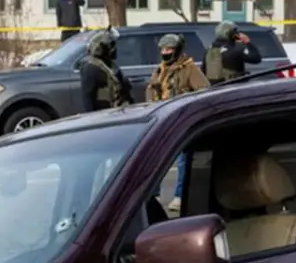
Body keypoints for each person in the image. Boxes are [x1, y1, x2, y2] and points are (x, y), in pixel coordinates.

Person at [147, 33, 209, 213]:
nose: (165, 53)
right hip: (162, 120)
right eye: (163, 49)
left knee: (183, 160)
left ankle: (180, 196)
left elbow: (204, 90)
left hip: (181, 120)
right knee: (156, 160)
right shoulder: (160, 70)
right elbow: (151, 91)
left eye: (169, 49)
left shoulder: (189, 69)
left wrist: (184, 101)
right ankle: (152, 195)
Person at [79, 30, 133, 112]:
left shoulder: (111, 66)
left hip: (119, 112)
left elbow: (124, 93)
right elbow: (88, 100)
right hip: (103, 115)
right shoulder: (91, 69)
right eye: (111, 46)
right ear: (101, 49)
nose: (114, 49)